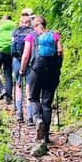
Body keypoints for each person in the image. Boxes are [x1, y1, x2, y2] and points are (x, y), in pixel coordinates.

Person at [19, 15, 63, 145]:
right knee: (47, 103)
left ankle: (37, 119)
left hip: (36, 71)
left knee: (33, 98)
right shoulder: (54, 35)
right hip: (52, 72)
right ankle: (46, 137)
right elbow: (60, 51)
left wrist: (22, 70)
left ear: (35, 25)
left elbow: (26, 54)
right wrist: (58, 66)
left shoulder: (31, 36)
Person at [11, 11, 35, 123]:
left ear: (20, 22)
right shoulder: (33, 32)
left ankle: (19, 114)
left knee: (18, 85)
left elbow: (12, 48)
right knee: (29, 88)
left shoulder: (15, 32)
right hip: (30, 62)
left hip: (17, 61)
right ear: (29, 23)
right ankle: (30, 117)